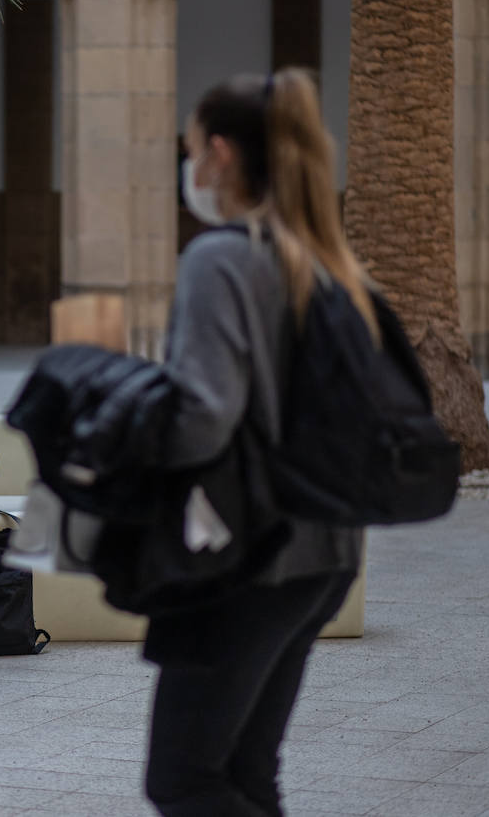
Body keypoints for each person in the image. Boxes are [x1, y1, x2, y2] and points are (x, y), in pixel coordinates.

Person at [140, 68, 364, 816]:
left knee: (184, 779)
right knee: (246, 772)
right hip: (325, 551)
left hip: (248, 557)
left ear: (224, 156)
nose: (190, 167)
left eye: (193, 147)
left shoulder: (222, 257)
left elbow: (203, 416)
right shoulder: (325, 255)